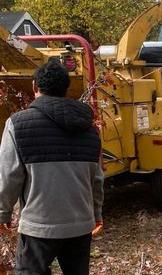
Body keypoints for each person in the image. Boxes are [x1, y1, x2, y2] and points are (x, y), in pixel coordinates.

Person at [0, 58, 104, 275]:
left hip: (40, 227)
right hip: (80, 225)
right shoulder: (89, 130)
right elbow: (96, 179)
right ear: (66, 89)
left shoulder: (17, 124)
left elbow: (9, 176)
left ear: (34, 87)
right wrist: (96, 214)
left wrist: (2, 214)